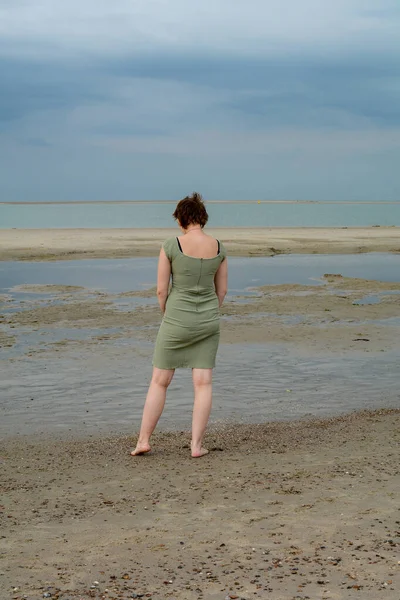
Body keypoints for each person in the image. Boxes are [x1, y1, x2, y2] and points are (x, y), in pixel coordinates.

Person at [131, 192, 228, 458]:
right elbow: (222, 291)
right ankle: (196, 446)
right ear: (202, 218)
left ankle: (143, 441)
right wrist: (207, 312)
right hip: (208, 319)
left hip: (176, 319)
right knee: (203, 382)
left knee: (160, 381)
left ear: (181, 219)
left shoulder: (171, 245)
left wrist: (169, 315)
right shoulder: (218, 246)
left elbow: (162, 291)